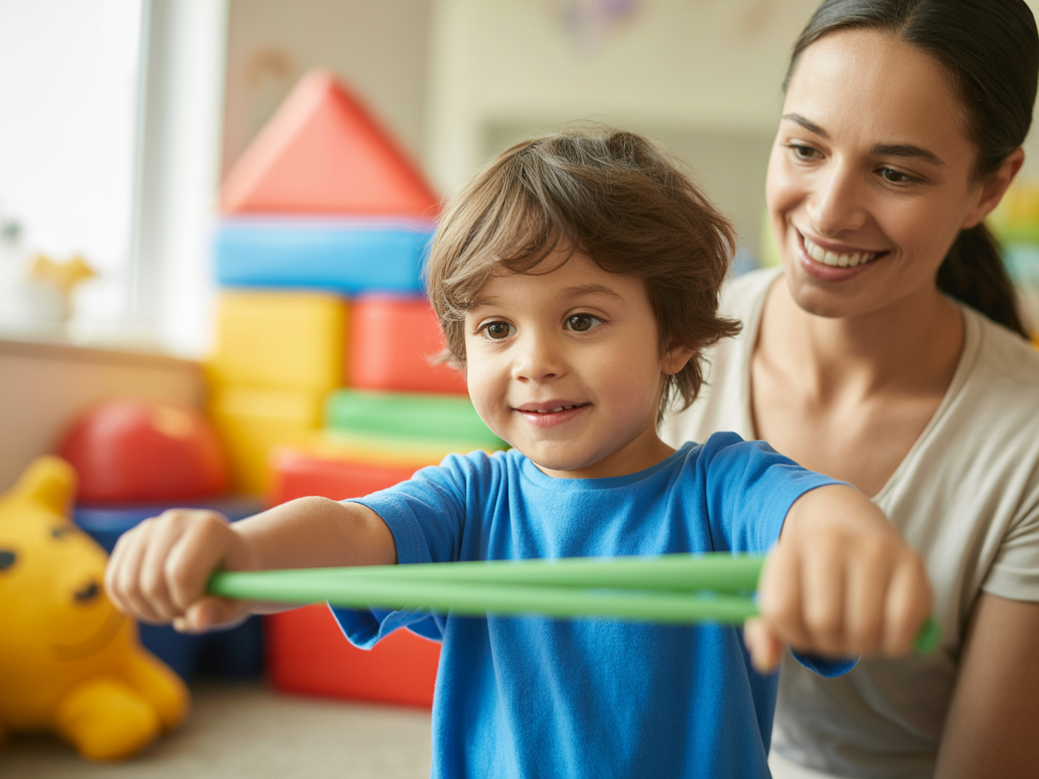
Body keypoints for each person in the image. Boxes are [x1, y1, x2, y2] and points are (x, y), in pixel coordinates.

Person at [104, 128, 932, 778]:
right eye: (495, 327)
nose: (531, 360)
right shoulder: (471, 498)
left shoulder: (723, 485)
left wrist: (844, 543)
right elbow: (353, 530)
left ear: (674, 336)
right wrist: (239, 546)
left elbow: (814, 510)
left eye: (580, 319)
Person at [661, 1, 1039, 777]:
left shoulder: (1022, 445)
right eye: (804, 147)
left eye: (894, 172)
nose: (828, 211)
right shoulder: (656, 342)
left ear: (987, 188)